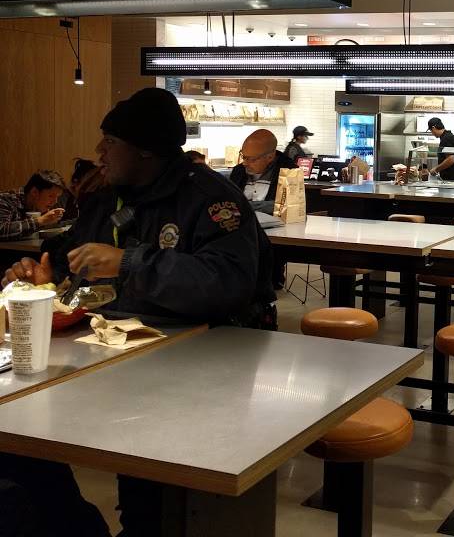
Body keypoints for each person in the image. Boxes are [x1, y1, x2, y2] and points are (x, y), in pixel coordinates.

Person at [1, 87, 271, 536]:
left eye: (110, 141)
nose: (99, 152)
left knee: (155, 496)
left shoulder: (210, 200)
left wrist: (128, 262)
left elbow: (227, 283)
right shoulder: (107, 198)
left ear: (146, 149)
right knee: (23, 448)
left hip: (201, 370)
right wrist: (42, 274)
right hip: (113, 360)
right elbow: (69, 257)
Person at [229, 129, 297, 214]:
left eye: (252, 159)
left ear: (270, 157)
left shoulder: (289, 172)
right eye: (244, 157)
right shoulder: (238, 172)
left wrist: (245, 206)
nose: (245, 163)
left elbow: (290, 207)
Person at [0, 170, 66, 240]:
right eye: (51, 196)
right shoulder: (6, 200)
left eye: (57, 197)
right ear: (34, 192)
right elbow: (1, 229)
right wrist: (41, 221)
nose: (55, 201)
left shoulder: (39, 205)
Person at [427, 117, 454, 181]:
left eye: (431, 131)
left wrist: (436, 169)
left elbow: (451, 159)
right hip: (453, 176)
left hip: (453, 177)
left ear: (433, 128)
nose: (432, 133)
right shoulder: (446, 136)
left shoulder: (446, 138)